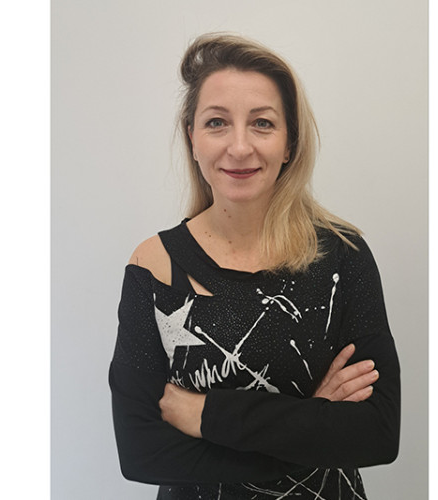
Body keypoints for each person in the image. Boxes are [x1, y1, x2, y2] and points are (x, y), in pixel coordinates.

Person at [109, 33, 400, 500]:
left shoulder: (342, 256)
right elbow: (142, 452)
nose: (240, 147)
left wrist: (205, 415)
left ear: (289, 143)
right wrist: (314, 421)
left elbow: (377, 433)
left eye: (262, 123)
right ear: (192, 138)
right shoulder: (154, 266)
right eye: (217, 123)